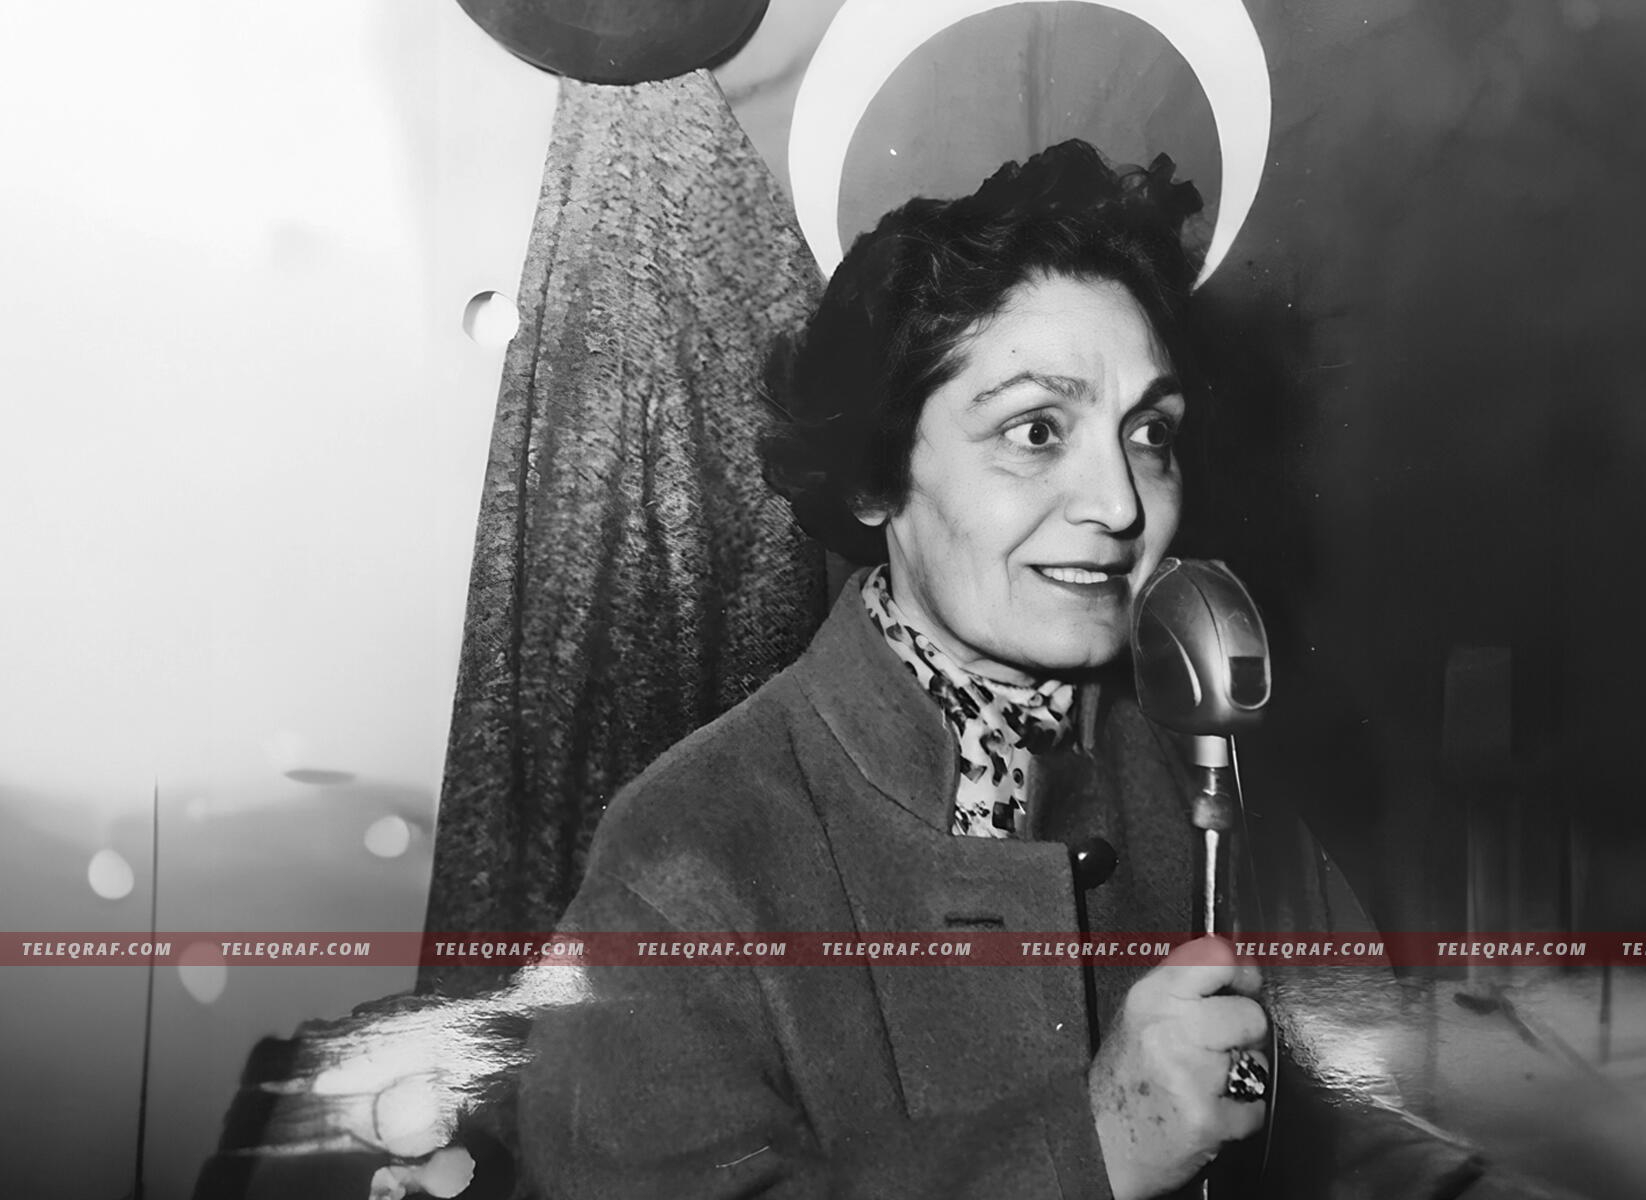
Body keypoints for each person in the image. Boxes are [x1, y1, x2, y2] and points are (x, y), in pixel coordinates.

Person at [518, 140, 1544, 1200]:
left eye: (1149, 433)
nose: (1121, 504)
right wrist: (1090, 1145)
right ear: (875, 476)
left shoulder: (1211, 776)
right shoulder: (686, 851)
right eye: (1038, 429)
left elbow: (1347, 1127)